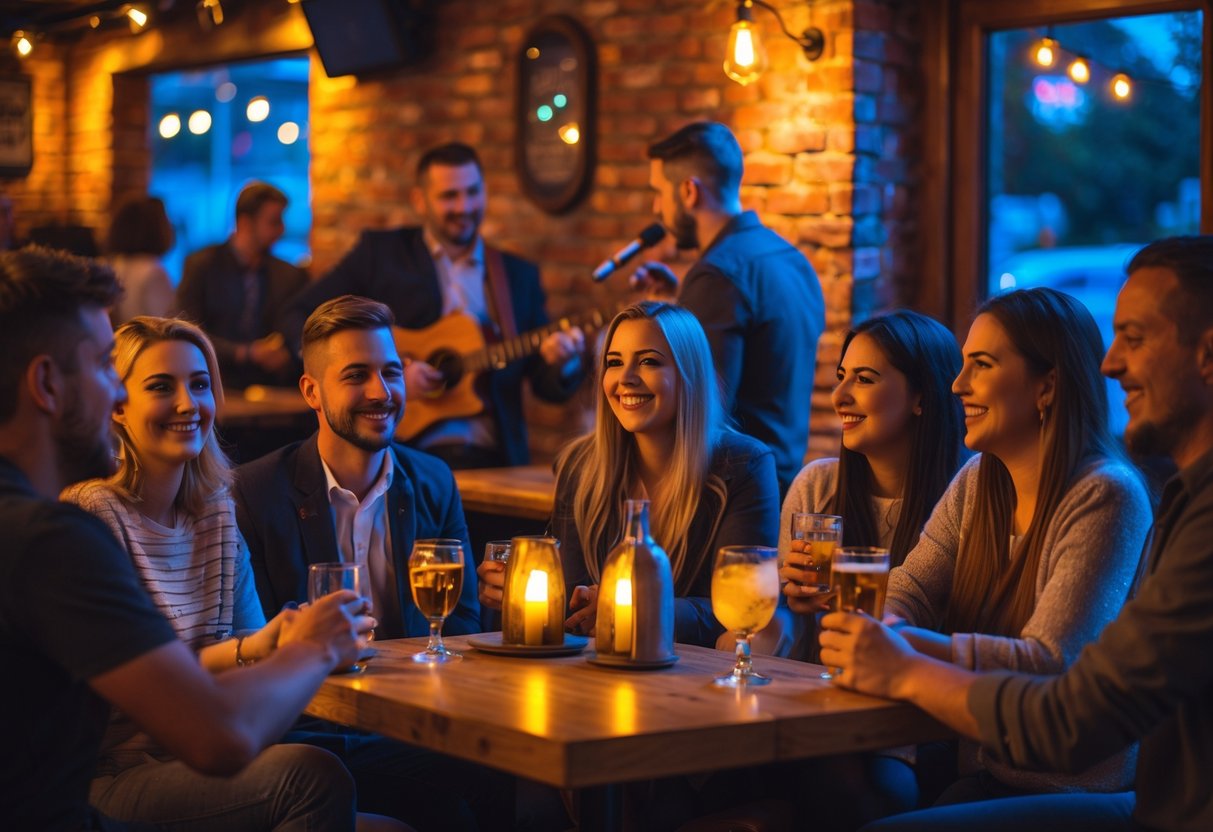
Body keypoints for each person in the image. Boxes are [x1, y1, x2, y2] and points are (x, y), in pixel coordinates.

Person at [816, 259, 1213, 831]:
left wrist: (903, 656)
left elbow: (1055, 670)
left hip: (1080, 789)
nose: (957, 385)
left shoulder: (1108, 494)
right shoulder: (980, 479)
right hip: (988, 768)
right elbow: (910, 587)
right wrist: (892, 621)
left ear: (1047, 385)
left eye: (981, 364)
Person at [0, 246, 368, 831]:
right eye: (103, 367)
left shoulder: (34, 526)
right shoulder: (53, 537)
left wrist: (263, 649)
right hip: (109, 793)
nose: (117, 395)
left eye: (199, 385)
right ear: (45, 383)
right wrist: (315, 646)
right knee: (314, 778)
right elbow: (218, 735)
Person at [61, 315, 403, 831]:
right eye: (161, 386)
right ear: (116, 406)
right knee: (311, 775)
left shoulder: (215, 511)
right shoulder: (94, 514)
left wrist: (276, 639)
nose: (187, 404)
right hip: (112, 776)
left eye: (199, 385)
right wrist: (270, 650)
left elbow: (244, 644)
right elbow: (145, 688)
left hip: (203, 761)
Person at [235, 295, 512, 831]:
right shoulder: (256, 491)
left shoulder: (432, 481)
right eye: (357, 375)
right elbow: (259, 641)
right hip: (308, 731)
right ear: (311, 391)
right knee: (460, 796)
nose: (380, 393)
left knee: (503, 774)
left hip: (415, 725)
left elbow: (460, 626)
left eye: (391, 372)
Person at [480, 301, 780, 647]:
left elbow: (743, 607)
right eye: (614, 363)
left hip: (692, 678)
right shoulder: (579, 464)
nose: (625, 378)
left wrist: (630, 607)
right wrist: (522, 589)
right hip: (594, 669)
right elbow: (572, 597)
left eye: (649, 361)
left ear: (689, 375)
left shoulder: (744, 464)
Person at [279, 142, 585, 469]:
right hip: (399, 457)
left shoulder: (515, 275)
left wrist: (563, 361)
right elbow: (296, 315)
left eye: (472, 192)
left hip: (495, 460)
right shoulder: (381, 255)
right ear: (419, 200)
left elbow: (544, 384)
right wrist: (387, 378)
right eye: (448, 196)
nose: (463, 206)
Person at [633, 121, 825, 496]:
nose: (657, 208)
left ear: (689, 191)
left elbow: (702, 413)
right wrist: (684, 306)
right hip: (783, 485)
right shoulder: (791, 258)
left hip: (734, 498)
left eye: (659, 193)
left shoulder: (717, 275)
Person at [779, 310, 966, 661]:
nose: (839, 396)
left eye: (864, 380)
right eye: (841, 377)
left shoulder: (967, 495)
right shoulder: (817, 485)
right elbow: (784, 632)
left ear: (921, 397)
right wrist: (789, 597)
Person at [177, 180, 306, 390]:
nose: (282, 229)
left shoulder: (288, 274)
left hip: (273, 388)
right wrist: (245, 353)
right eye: (274, 221)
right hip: (214, 383)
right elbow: (185, 331)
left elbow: (296, 328)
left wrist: (287, 351)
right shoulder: (202, 265)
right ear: (245, 223)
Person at [106, 195, 176, 323]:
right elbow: (164, 326)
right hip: (146, 342)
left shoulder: (112, 264)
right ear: (157, 227)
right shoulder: (153, 270)